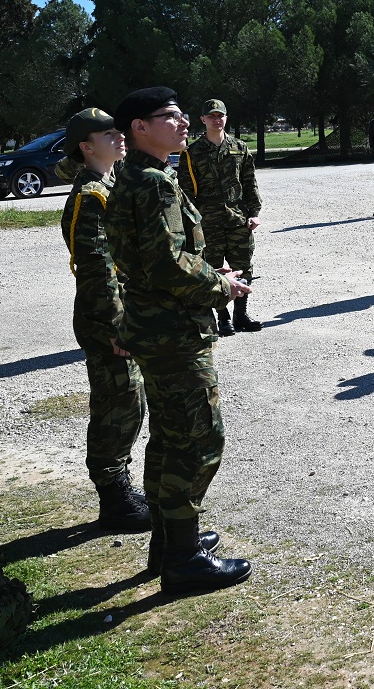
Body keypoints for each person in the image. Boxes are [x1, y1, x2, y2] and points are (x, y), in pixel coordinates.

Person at [105, 86, 253, 594]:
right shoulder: (152, 183)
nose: (184, 122)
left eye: (183, 115)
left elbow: (156, 257)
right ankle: (184, 560)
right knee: (198, 437)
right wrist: (221, 286)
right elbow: (167, 264)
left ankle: (169, 542)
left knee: (169, 437)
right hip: (173, 331)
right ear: (139, 127)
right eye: (170, 116)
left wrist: (210, 271)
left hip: (156, 326)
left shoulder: (140, 176)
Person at [59, 108, 148, 532]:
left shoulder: (111, 185)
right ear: (87, 146)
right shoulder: (90, 196)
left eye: (118, 130)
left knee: (130, 401)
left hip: (122, 315)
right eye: (108, 134)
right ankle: (114, 498)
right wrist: (116, 326)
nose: (119, 137)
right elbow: (96, 268)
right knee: (117, 404)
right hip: (106, 320)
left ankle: (120, 484)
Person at [181, 99, 263, 336]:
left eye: (220, 116)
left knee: (243, 268)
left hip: (238, 219)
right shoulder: (192, 153)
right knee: (214, 270)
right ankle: (223, 317)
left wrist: (254, 213)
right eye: (211, 116)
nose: (216, 120)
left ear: (226, 118)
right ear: (203, 120)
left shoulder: (239, 147)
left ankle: (241, 315)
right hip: (208, 222)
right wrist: (192, 223)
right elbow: (186, 191)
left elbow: (249, 182)